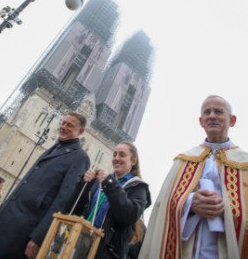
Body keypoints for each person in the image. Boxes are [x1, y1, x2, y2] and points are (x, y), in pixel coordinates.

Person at [139, 95, 248, 259]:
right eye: (207, 112)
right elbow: (162, 205)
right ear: (201, 121)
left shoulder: (244, 163)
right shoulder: (183, 160)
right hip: (182, 251)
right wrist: (189, 202)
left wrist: (226, 206)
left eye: (218, 111)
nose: (212, 115)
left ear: (232, 120)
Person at [0, 111, 90, 259]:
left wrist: (39, 236)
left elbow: (63, 200)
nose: (64, 127)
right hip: (8, 217)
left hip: (24, 228)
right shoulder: (55, 148)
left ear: (80, 131)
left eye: (70, 125)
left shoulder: (79, 157)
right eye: (63, 123)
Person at [66, 140, 151, 259]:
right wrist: (83, 183)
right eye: (114, 154)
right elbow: (72, 208)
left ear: (133, 161)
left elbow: (128, 216)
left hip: (105, 252)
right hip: (80, 243)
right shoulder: (100, 181)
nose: (116, 158)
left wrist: (110, 183)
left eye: (122, 155)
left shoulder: (138, 188)